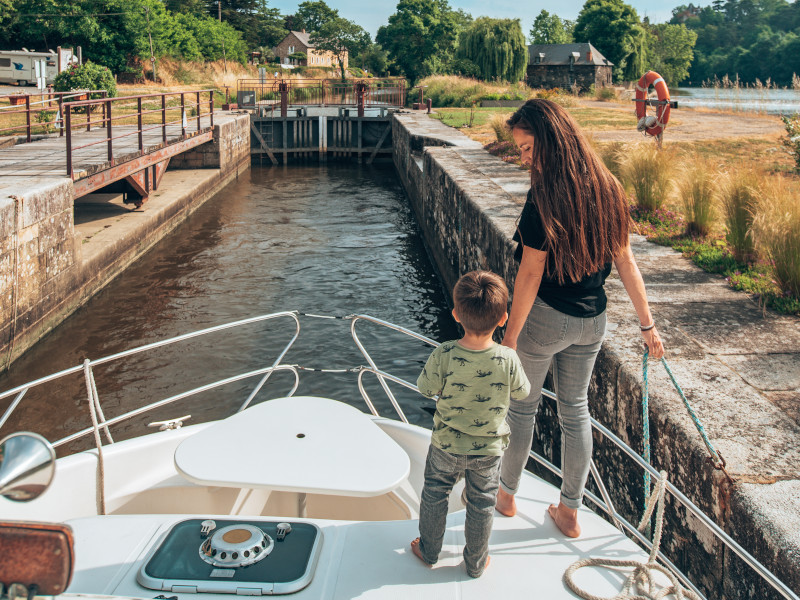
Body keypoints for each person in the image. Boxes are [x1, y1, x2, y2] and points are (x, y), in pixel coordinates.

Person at [496, 99, 665, 538]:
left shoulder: (545, 196)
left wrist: (511, 336)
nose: (525, 158)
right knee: (576, 412)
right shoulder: (608, 186)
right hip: (593, 321)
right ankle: (569, 512)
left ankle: (506, 496)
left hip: (546, 320)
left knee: (522, 410)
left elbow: (531, 272)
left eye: (528, 148)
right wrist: (647, 325)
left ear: (551, 140)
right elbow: (626, 262)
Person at [410, 270, 531, 578]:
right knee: (481, 504)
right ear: (503, 318)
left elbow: (425, 388)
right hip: (489, 449)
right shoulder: (507, 358)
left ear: (455, 315)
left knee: (435, 494)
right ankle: (476, 563)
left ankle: (429, 550)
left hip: (446, 445)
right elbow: (523, 392)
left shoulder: (445, 354)